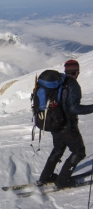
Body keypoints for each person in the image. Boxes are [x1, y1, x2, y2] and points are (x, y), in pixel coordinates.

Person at [36, 60, 93, 189]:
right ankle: (62, 181)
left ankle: (45, 177)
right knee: (79, 152)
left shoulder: (58, 83)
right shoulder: (72, 85)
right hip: (66, 126)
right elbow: (74, 109)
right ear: (77, 72)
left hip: (53, 124)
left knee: (57, 150)